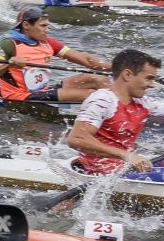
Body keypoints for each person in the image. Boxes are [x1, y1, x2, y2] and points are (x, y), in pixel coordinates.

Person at [63, 49, 164, 191]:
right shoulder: (102, 100)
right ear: (128, 74)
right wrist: (127, 156)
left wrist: (129, 158)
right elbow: (77, 139)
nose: (152, 84)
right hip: (102, 173)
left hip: (126, 167)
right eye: (148, 78)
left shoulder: (143, 103)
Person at [0, 7, 111, 105]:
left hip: (43, 91)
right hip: (20, 97)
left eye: (47, 26)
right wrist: (8, 64)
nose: (47, 30)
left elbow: (88, 61)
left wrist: (120, 67)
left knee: (98, 79)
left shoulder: (48, 43)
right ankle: (109, 110)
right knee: (93, 95)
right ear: (26, 25)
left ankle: (119, 107)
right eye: (43, 26)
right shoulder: (8, 45)